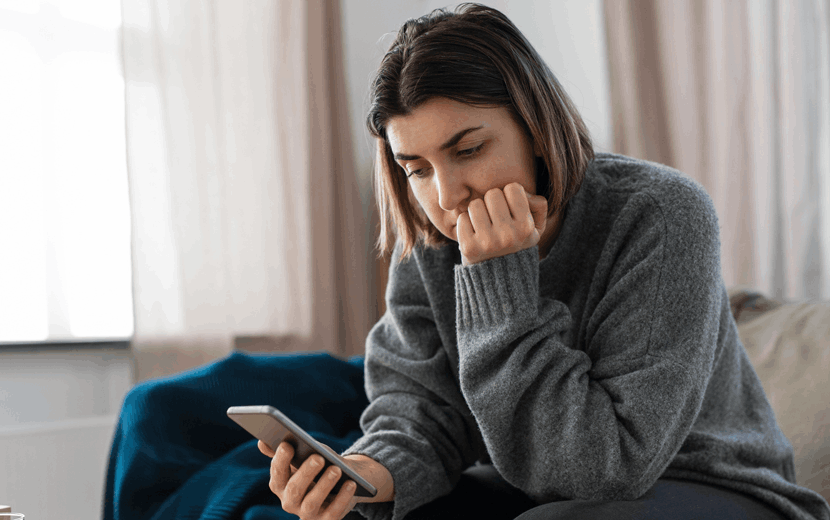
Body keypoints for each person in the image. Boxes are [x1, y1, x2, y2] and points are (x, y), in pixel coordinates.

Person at [258, 4, 830, 520]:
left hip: (715, 485)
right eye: (417, 169)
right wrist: (360, 478)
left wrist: (499, 285)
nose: (448, 194)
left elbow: (609, 469)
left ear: (534, 127)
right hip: (542, 488)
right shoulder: (434, 243)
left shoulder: (661, 214)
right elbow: (419, 410)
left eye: (468, 150)